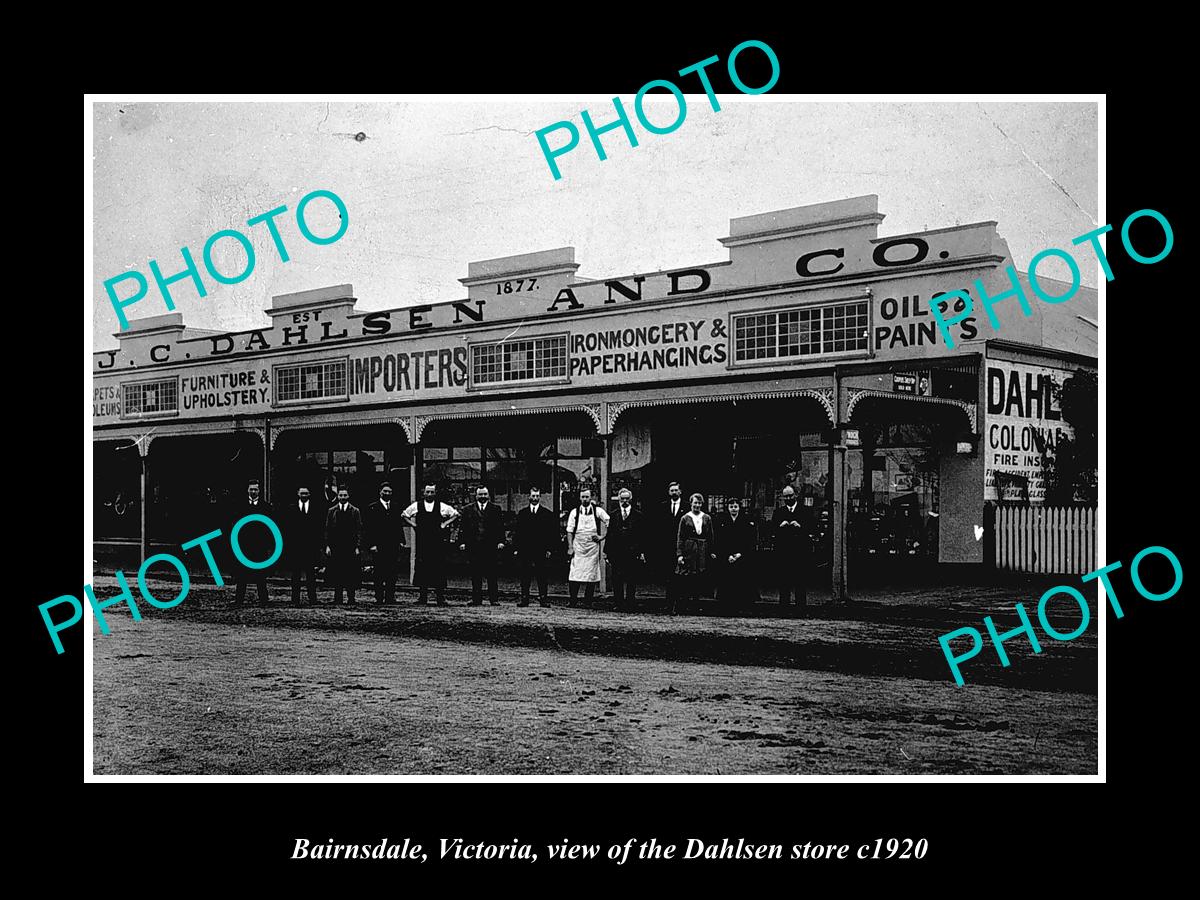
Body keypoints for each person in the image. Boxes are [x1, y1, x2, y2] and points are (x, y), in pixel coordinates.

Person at [402, 482, 459, 606]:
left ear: (435, 493)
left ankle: (440, 598)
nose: (429, 494)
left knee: (438, 568)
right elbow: (404, 515)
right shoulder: (417, 505)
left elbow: (455, 514)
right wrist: (414, 525)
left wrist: (444, 524)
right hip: (423, 542)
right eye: (427, 492)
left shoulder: (441, 506)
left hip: (437, 543)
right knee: (423, 569)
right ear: (424, 492)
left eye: (432, 492)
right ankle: (423, 597)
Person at [459, 486, 506, 606]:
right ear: (476, 496)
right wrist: (462, 542)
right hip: (474, 546)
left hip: (490, 546)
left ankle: (493, 599)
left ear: (488, 495)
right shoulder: (467, 509)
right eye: (480, 494)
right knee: (475, 574)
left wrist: (501, 541)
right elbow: (463, 528)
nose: (483, 497)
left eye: (485, 494)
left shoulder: (495, 509)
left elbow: (500, 527)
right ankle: (476, 599)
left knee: (492, 573)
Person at [232, 479, 274, 607]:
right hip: (244, 545)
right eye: (251, 489)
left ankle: (264, 600)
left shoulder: (266, 507)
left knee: (260, 574)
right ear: (247, 490)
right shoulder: (240, 507)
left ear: (259, 491)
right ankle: (239, 601)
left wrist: (268, 545)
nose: (253, 492)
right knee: (242, 575)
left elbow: (269, 528)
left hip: (259, 546)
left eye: (255, 489)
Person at [513, 486, 557, 607]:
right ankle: (524, 598)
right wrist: (516, 548)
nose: (535, 498)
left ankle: (543, 599)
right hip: (525, 549)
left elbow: (551, 533)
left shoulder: (547, 514)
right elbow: (518, 532)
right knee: (525, 575)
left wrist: (549, 549)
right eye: (533, 496)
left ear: (540, 497)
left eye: (537, 496)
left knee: (541, 575)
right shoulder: (522, 513)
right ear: (529, 497)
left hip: (540, 549)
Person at [771, 484, 811, 613]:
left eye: (790, 496)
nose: (788, 498)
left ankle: (801, 608)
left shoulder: (805, 511)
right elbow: (771, 531)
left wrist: (800, 526)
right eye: (786, 496)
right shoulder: (778, 512)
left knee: (800, 581)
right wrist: (779, 526)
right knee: (784, 581)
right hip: (784, 552)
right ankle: (784, 608)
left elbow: (812, 528)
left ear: (795, 496)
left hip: (800, 552)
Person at [566, 487, 609, 606]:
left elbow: (610, 522)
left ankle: (588, 601)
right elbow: (569, 530)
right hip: (578, 547)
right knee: (575, 573)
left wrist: (602, 537)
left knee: (591, 574)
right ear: (580, 498)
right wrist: (570, 547)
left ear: (591, 497)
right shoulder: (574, 512)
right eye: (583, 497)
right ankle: (573, 600)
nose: (585, 499)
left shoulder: (598, 511)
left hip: (592, 548)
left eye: (587, 497)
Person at [715, 498, 760, 611]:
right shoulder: (722, 520)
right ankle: (726, 606)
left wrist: (740, 554)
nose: (733, 509)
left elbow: (750, 540)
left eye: (735, 507)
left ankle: (741, 606)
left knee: (741, 581)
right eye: (731, 507)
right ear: (728, 508)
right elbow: (720, 539)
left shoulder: (746, 520)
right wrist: (727, 555)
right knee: (726, 581)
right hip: (727, 555)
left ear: (739, 508)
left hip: (742, 555)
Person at [674, 492, 716, 615]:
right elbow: (680, 537)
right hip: (689, 549)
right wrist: (680, 554)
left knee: (699, 576)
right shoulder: (685, 518)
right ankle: (685, 604)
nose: (697, 505)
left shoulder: (707, 518)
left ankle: (696, 604)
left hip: (702, 550)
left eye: (699, 503)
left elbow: (711, 536)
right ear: (691, 503)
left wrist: (711, 551)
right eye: (695, 503)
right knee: (687, 576)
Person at [366, 482, 406, 605]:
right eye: (385, 491)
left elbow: (398, 526)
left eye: (389, 492)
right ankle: (379, 597)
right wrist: (372, 544)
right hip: (379, 545)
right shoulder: (373, 507)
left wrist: (401, 540)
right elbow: (369, 528)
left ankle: (390, 596)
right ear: (380, 492)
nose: (387, 493)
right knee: (379, 571)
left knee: (392, 571)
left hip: (392, 544)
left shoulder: (395, 506)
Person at [605, 488, 646, 611]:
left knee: (631, 578)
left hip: (632, 552)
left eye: (627, 499)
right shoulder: (614, 515)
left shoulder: (638, 515)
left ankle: (630, 603)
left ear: (631, 499)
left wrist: (641, 551)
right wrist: (606, 552)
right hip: (617, 552)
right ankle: (618, 603)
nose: (624, 501)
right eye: (622, 499)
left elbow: (642, 535)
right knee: (617, 578)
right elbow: (610, 534)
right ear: (618, 499)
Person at [283, 485, 322, 605]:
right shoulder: (291, 509)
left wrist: (318, 545)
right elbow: (287, 529)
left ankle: (313, 599)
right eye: (302, 493)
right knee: (296, 574)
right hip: (296, 547)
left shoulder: (316, 508)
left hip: (310, 546)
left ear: (309, 494)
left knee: (311, 574)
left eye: (306, 493)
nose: (304, 495)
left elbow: (318, 528)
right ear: (298, 494)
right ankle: (295, 599)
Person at [324, 487, 363, 605]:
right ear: (338, 496)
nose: (342, 497)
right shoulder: (332, 511)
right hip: (336, 546)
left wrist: (357, 546)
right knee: (337, 571)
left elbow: (359, 530)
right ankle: (338, 597)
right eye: (340, 495)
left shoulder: (355, 511)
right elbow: (327, 529)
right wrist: (328, 545)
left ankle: (351, 597)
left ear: (348, 496)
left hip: (350, 546)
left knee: (350, 572)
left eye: (345, 495)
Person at [661, 481, 687, 610]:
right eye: (672, 490)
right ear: (668, 492)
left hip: (682, 546)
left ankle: (681, 602)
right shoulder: (663, 506)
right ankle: (669, 602)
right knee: (669, 575)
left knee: (682, 575)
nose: (674, 492)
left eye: (676, 490)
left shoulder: (687, 507)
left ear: (680, 491)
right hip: (667, 547)